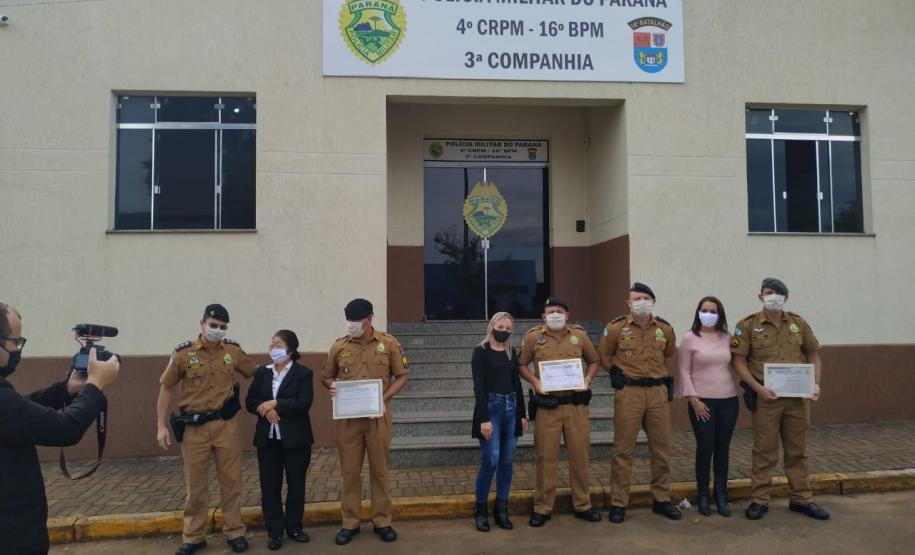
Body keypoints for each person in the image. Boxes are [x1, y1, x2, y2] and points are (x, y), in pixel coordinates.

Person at [0, 303, 120, 555]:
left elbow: (22, 409)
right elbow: (65, 429)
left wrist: (67, 389)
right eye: (15, 342)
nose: (18, 350)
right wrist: (95, 385)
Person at [155, 304, 258, 555]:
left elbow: (255, 373)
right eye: (214, 325)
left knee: (231, 482)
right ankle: (193, 536)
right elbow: (166, 388)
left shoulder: (232, 351)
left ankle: (234, 531)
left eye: (223, 327)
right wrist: (160, 426)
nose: (218, 330)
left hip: (226, 426)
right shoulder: (183, 354)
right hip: (194, 429)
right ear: (202, 323)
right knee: (196, 485)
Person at [731, 278, 829, 521]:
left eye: (778, 293)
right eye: (769, 292)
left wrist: (815, 382)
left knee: (797, 451)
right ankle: (759, 500)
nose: (773, 296)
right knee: (764, 451)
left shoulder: (798, 323)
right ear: (760, 296)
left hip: (797, 399)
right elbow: (738, 362)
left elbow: (813, 354)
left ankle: (801, 498)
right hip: (767, 398)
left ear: (786, 297)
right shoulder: (747, 325)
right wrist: (757, 387)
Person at [321, 298, 409, 545]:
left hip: (377, 418)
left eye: (356, 321)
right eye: (348, 321)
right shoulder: (339, 346)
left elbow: (402, 376)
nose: (351, 325)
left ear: (369, 319)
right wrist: (333, 387)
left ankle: (382, 521)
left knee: (380, 471)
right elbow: (326, 377)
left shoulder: (388, 344)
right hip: (348, 420)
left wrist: (383, 399)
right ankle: (350, 522)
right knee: (350, 472)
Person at [598, 282, 681, 523]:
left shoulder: (664, 329)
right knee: (623, 450)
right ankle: (618, 502)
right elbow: (604, 355)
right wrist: (618, 374)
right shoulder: (615, 328)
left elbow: (669, 355)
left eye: (646, 297)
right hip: (630, 393)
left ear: (653, 301)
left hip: (657, 393)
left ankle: (661, 499)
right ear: (628, 303)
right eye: (637, 298)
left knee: (661, 449)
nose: (641, 302)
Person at [518, 297, 601, 527]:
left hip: (576, 406)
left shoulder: (579, 336)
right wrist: (535, 382)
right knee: (546, 458)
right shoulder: (534, 337)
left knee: (580, 457)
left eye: (559, 311)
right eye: (550, 312)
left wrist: (587, 378)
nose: (555, 315)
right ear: (543, 317)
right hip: (548, 408)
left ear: (567, 314)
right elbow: (522, 365)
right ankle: (543, 507)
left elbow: (594, 360)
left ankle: (583, 504)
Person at [245, 330, 314, 551]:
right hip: (268, 440)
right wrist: (262, 409)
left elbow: (303, 403)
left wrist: (275, 403)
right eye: (271, 344)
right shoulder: (262, 373)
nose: (273, 348)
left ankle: (294, 526)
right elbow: (250, 400)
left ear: (291, 349)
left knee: (296, 485)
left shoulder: (303, 374)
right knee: (269, 486)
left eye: (278, 344)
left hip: (296, 439)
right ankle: (275, 531)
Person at [675, 296, 739, 517]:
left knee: (722, 448)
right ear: (698, 312)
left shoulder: (727, 337)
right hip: (701, 401)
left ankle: (720, 494)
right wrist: (693, 398)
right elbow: (683, 370)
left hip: (728, 400)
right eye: (705, 310)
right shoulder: (689, 338)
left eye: (713, 311)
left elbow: (740, 362)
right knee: (705, 448)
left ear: (720, 314)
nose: (709, 314)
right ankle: (702, 494)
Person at [470, 312, 528, 532]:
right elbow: (479, 387)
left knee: (506, 461)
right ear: (491, 325)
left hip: (511, 409)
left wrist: (522, 413)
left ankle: (502, 509)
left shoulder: (511, 352)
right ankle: (481, 509)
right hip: (491, 409)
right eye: (500, 325)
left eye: (507, 328)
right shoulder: (480, 351)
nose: (503, 330)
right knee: (491, 460)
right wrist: (484, 419)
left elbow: (517, 383)